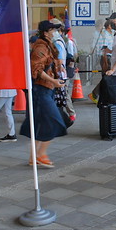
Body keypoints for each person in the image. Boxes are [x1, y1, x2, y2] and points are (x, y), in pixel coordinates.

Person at [20, 20, 68, 168]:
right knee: (55, 121)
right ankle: (41, 154)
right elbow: (37, 70)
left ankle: (33, 157)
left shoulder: (48, 46)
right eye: (52, 30)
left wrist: (58, 71)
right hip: (40, 91)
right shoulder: (41, 46)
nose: (55, 33)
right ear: (46, 32)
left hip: (46, 90)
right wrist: (53, 81)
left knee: (39, 124)